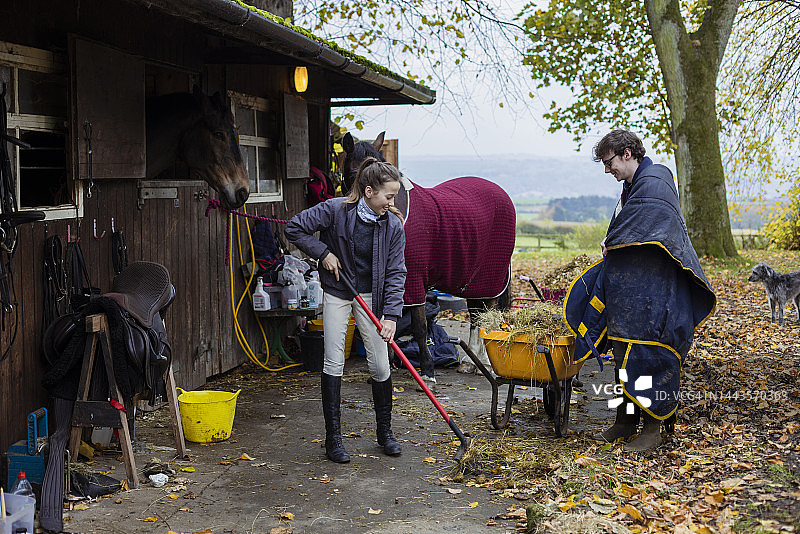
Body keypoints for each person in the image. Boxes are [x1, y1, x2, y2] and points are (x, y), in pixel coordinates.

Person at [592, 129, 716, 451]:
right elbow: (625, 227)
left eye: (609, 163)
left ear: (628, 153)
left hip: (657, 291)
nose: (608, 171)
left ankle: (653, 427)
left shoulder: (655, 183)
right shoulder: (631, 188)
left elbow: (645, 225)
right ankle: (624, 421)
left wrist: (613, 242)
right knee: (624, 355)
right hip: (632, 291)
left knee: (651, 354)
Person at [285, 157, 407, 463]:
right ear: (368, 191)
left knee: (380, 364)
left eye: (394, 197)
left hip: (371, 296)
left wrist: (391, 315)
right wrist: (323, 253)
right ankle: (333, 440)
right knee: (334, 359)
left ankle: (385, 433)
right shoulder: (335, 210)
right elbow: (295, 228)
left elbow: (396, 273)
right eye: (388, 196)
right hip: (339, 291)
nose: (392, 202)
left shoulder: (392, 225)